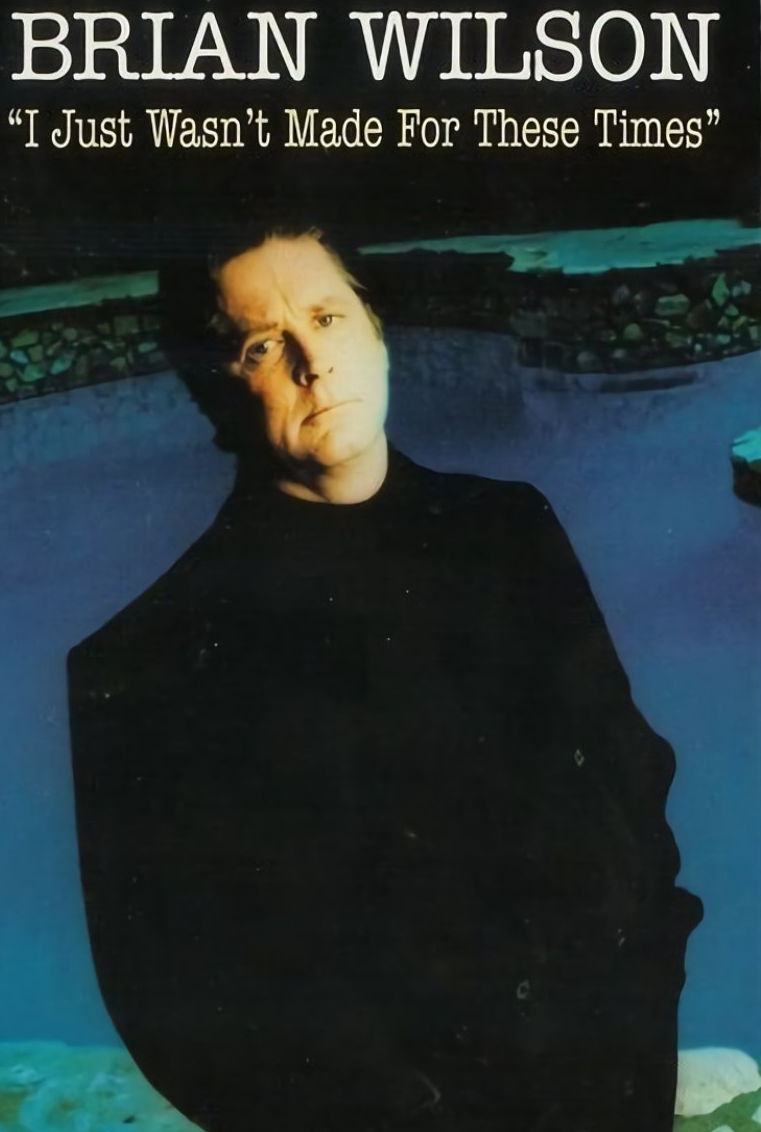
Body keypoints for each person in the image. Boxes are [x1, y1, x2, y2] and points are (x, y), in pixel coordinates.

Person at [68, 229, 702, 1132]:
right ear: (212, 390)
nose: (313, 362)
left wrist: (638, 1011)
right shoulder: (148, 659)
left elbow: (629, 780)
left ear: (376, 331)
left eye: (327, 318)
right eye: (262, 345)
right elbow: (174, 997)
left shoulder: (510, 529)